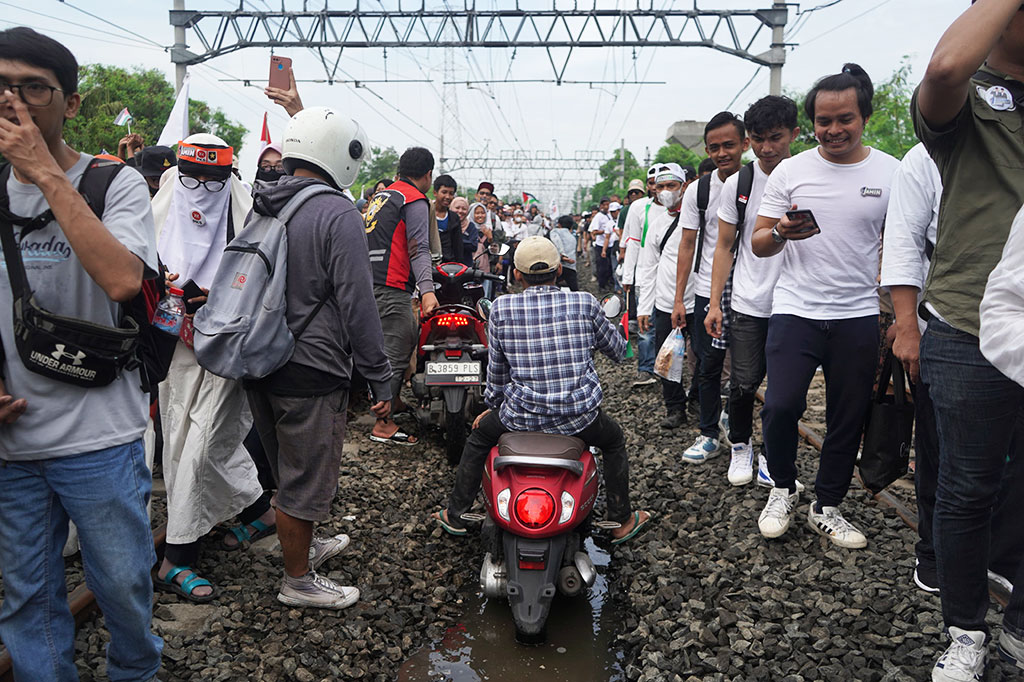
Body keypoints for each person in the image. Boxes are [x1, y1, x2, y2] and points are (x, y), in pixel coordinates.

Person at [0, 26, 162, 679]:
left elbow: (124, 279)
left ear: (69, 102)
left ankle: (135, 670)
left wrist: (41, 170)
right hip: (13, 445)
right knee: (27, 597)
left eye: (32, 87)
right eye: (0, 86)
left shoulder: (113, 183)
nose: (13, 101)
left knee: (122, 586)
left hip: (100, 436)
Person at [911, 2, 1024, 678]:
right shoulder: (970, 98)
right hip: (971, 321)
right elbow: (945, 65)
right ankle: (964, 631)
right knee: (967, 487)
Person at [245, 107, 393, 609]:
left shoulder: (264, 201)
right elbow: (358, 302)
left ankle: (305, 546)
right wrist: (380, 376)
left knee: (285, 467)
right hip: (311, 365)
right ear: (343, 156)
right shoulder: (337, 212)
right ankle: (297, 579)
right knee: (305, 478)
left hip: (259, 356)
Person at [749, 63, 899, 549]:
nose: (834, 130)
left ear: (864, 118)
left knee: (847, 415)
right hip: (796, 308)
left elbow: (904, 246)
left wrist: (902, 314)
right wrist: (780, 233)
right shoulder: (791, 171)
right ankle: (783, 489)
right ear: (810, 123)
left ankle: (827, 505)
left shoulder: (891, 172)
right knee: (780, 406)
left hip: (858, 313)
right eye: (823, 120)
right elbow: (758, 242)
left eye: (845, 119)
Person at [430, 236, 653, 543]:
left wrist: (492, 409)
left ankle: (456, 514)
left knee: (479, 438)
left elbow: (496, 377)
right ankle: (620, 519)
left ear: (517, 275)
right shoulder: (584, 302)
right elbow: (618, 351)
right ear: (559, 270)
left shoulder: (501, 308)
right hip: (580, 418)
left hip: (520, 417)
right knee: (613, 441)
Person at [882, 142, 1024, 596]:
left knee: (1014, 455)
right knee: (941, 450)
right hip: (948, 322)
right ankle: (934, 553)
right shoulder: (926, 156)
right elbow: (902, 243)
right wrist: (906, 327)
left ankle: (1000, 557)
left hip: (1016, 323)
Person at [152, 134, 273, 602]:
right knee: (178, 440)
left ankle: (177, 559)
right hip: (172, 351)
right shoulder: (154, 212)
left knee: (204, 442)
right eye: (191, 177)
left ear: (230, 178)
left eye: (214, 179)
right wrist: (156, 285)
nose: (201, 188)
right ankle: (260, 510)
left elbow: (269, 281)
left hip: (228, 351)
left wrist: (223, 294)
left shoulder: (252, 219)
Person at [705, 96, 799, 487]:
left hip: (796, 301)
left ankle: (775, 459)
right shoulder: (739, 183)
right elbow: (724, 246)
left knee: (783, 392)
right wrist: (714, 303)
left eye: (775, 138)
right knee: (743, 383)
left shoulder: (808, 174)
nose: (766, 147)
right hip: (748, 300)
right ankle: (741, 445)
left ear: (794, 134)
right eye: (757, 139)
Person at [671, 112, 750, 464]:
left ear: (744, 144)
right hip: (708, 290)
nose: (722, 153)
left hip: (752, 290)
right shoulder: (700, 191)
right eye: (714, 147)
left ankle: (739, 432)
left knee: (747, 370)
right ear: (706, 149)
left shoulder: (761, 180)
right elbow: (687, 244)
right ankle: (707, 433)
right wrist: (679, 299)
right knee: (708, 365)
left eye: (729, 145)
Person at [365, 146, 439, 445]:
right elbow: (419, 248)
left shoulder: (382, 196)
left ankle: (391, 402)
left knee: (385, 345)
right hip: (392, 284)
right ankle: (382, 423)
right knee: (397, 349)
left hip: (368, 281)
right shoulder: (414, 199)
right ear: (428, 175)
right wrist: (428, 291)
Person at [636, 163, 694, 430]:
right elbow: (648, 267)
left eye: (671, 186)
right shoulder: (658, 224)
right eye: (660, 187)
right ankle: (675, 408)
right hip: (664, 302)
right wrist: (644, 308)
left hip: (699, 299)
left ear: (684, 186)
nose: (666, 192)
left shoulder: (698, 218)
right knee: (667, 357)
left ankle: (698, 401)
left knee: (705, 358)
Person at [621, 172, 659, 387]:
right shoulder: (638, 208)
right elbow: (632, 242)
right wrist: (629, 275)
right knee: (646, 325)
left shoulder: (682, 208)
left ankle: (666, 366)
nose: (657, 187)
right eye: (652, 183)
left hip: (673, 276)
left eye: (663, 184)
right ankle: (645, 369)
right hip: (645, 274)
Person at [432, 173, 462, 263]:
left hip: (448, 266)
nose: (447, 197)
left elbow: (458, 246)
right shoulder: (425, 213)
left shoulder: (454, 218)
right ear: (435, 193)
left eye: (451, 193)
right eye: (444, 192)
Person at [589, 197, 614, 291]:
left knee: (609, 266)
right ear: (601, 206)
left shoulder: (611, 215)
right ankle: (601, 285)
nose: (606, 207)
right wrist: (605, 231)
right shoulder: (598, 216)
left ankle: (608, 283)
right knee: (602, 266)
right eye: (604, 205)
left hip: (610, 244)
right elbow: (594, 231)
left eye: (608, 204)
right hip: (601, 244)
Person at [549, 214, 578, 290]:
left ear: (559, 224)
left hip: (558, 265)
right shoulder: (572, 237)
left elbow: (557, 241)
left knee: (554, 289)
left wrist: (563, 255)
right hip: (571, 266)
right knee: (574, 290)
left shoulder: (555, 231)